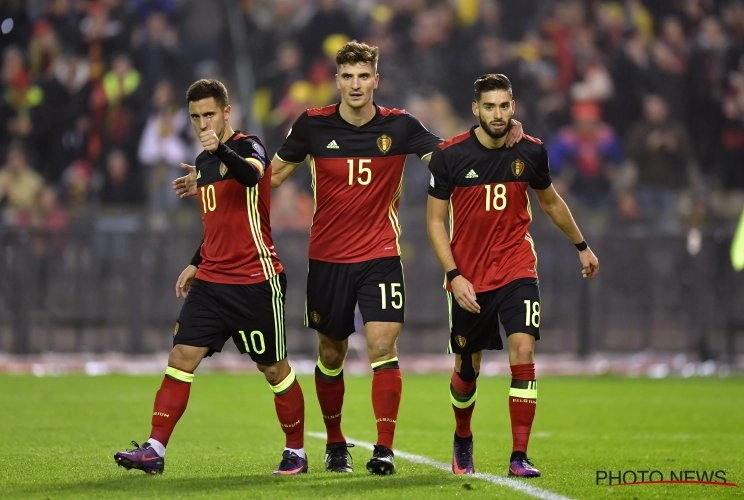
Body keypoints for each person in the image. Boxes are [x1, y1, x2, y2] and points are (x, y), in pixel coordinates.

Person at [172, 41, 523, 475]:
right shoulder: (312, 125)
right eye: (347, 76)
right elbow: (270, 178)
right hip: (328, 258)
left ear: (376, 79)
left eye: (363, 76)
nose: (355, 84)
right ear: (336, 81)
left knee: (382, 345)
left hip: (380, 255)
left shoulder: (401, 126)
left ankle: (384, 449)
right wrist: (209, 177)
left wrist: (499, 127)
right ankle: (335, 444)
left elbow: (452, 156)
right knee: (331, 354)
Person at [114, 79, 307, 476]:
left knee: (274, 369)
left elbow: (253, 177)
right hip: (213, 281)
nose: (203, 123)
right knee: (181, 357)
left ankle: (296, 452)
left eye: (210, 114)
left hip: (256, 278)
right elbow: (220, 223)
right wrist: (195, 260)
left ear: (226, 113)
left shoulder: (249, 145)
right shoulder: (203, 163)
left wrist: (219, 152)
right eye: (196, 116)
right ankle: (154, 449)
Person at [426, 74, 599, 478]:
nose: (498, 114)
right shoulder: (450, 156)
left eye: (504, 106)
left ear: (513, 107)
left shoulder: (531, 151)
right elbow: (435, 222)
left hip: (516, 268)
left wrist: (582, 246)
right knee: (467, 368)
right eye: (490, 107)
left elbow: (551, 202)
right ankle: (463, 437)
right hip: (468, 279)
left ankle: (519, 455)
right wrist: (454, 275)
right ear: (476, 110)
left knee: (523, 353)